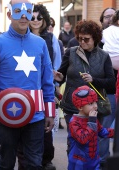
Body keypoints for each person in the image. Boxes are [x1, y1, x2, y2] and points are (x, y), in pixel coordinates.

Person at [0, 0, 55, 169]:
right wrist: (1, 100)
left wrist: (50, 112)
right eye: (18, 10)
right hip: (6, 115)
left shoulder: (40, 43)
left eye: (27, 11)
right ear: (9, 14)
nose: (23, 16)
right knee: (7, 162)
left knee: (34, 163)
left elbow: (47, 81)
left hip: (35, 114)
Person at [53, 20, 115, 154]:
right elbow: (62, 74)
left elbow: (111, 82)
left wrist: (94, 80)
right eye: (80, 38)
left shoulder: (104, 56)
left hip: (94, 107)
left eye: (86, 39)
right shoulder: (71, 52)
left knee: (91, 142)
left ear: (95, 38)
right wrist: (59, 78)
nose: (82, 42)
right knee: (74, 142)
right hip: (72, 106)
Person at [28, 4, 61, 170]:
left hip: (46, 88)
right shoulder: (22, 37)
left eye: (39, 17)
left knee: (47, 126)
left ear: (44, 19)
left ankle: (46, 160)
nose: (35, 20)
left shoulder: (51, 38)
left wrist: (55, 87)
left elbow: (57, 63)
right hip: (27, 89)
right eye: (32, 17)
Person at [68, 85, 114, 170]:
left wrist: (116, 132)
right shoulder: (74, 122)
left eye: (95, 102)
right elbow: (83, 139)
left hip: (94, 161)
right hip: (79, 162)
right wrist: (92, 121)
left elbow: (102, 131)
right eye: (90, 103)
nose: (95, 106)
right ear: (80, 107)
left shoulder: (93, 120)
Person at [99, 8, 117, 169]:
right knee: (104, 127)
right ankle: (102, 161)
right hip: (106, 91)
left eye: (113, 16)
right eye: (107, 17)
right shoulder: (98, 39)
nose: (110, 19)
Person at [47, 17, 65, 130]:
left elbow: (59, 63)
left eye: (52, 26)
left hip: (52, 82)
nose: (50, 28)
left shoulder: (56, 41)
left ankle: (55, 124)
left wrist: (57, 84)